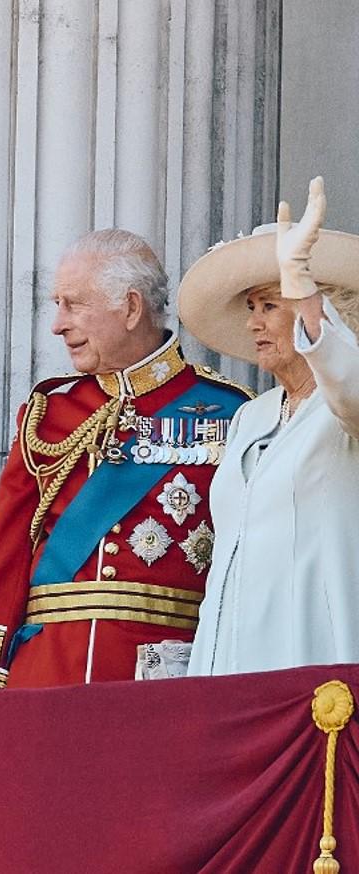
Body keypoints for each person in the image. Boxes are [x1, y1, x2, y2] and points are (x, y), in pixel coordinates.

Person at [0, 229, 253, 691]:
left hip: (166, 679)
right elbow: (3, 563)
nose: (57, 324)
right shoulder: (48, 414)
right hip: (45, 677)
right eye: (57, 304)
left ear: (131, 308)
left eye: (73, 304)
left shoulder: (232, 413)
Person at [179, 177, 359, 675]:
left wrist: (300, 283)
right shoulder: (251, 416)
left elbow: (348, 379)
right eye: (251, 308)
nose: (254, 323)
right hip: (229, 661)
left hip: (313, 657)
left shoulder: (343, 408)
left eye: (270, 306)